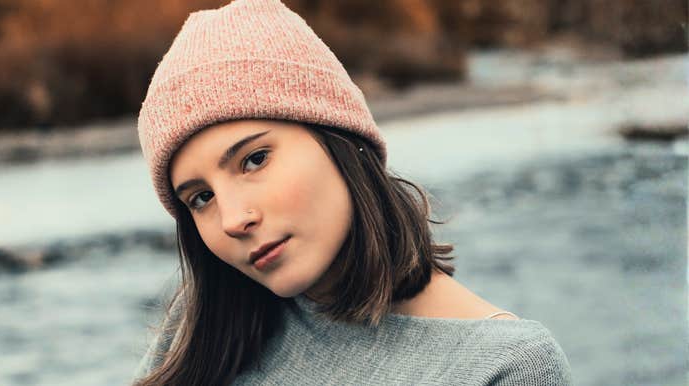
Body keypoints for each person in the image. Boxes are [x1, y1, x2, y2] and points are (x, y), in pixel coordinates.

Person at [132, 0, 573, 385]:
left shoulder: (505, 367)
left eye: (254, 159)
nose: (232, 220)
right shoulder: (206, 327)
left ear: (338, 140)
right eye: (200, 198)